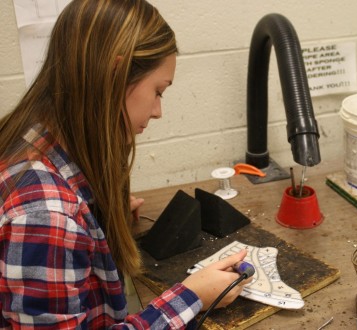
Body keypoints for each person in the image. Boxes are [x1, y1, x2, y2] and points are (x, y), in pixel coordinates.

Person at [0, 0, 251, 328]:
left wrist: (95, 216)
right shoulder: (46, 219)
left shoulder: (32, 135)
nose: (159, 111)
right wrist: (192, 298)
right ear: (115, 75)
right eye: (158, 91)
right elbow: (51, 222)